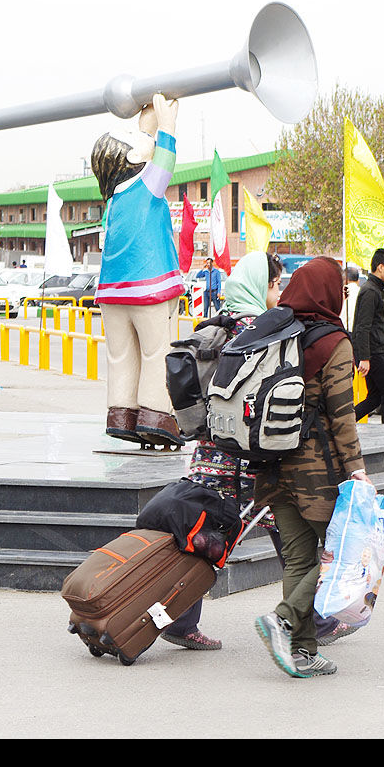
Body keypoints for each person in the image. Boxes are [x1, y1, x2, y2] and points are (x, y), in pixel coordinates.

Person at [253, 257, 371, 678]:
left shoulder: (274, 331)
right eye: (338, 288)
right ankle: (283, 619)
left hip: (271, 463)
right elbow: (342, 414)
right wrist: (356, 469)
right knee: (336, 557)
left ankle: (301, 651)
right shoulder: (333, 342)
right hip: (316, 469)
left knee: (299, 559)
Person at [160, 250, 282, 651]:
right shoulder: (261, 332)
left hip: (208, 453)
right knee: (289, 531)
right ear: (259, 286)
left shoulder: (214, 327)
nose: (278, 293)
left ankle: (179, 620)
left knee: (203, 536)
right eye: (274, 284)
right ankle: (313, 616)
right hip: (245, 460)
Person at [91, 94, 184, 447]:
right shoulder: (147, 186)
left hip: (112, 292)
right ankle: (156, 415)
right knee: (155, 351)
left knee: (121, 354)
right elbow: (165, 160)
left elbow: (143, 152)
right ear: (132, 158)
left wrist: (149, 126)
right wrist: (168, 126)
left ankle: (122, 412)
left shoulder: (114, 198)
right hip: (149, 286)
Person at [353, 247, 384, 424]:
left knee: (375, 397)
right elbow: (362, 326)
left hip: (374, 351)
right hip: (375, 353)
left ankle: (343, 425)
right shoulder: (371, 291)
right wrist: (364, 357)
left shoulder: (376, 289)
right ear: (380, 267)